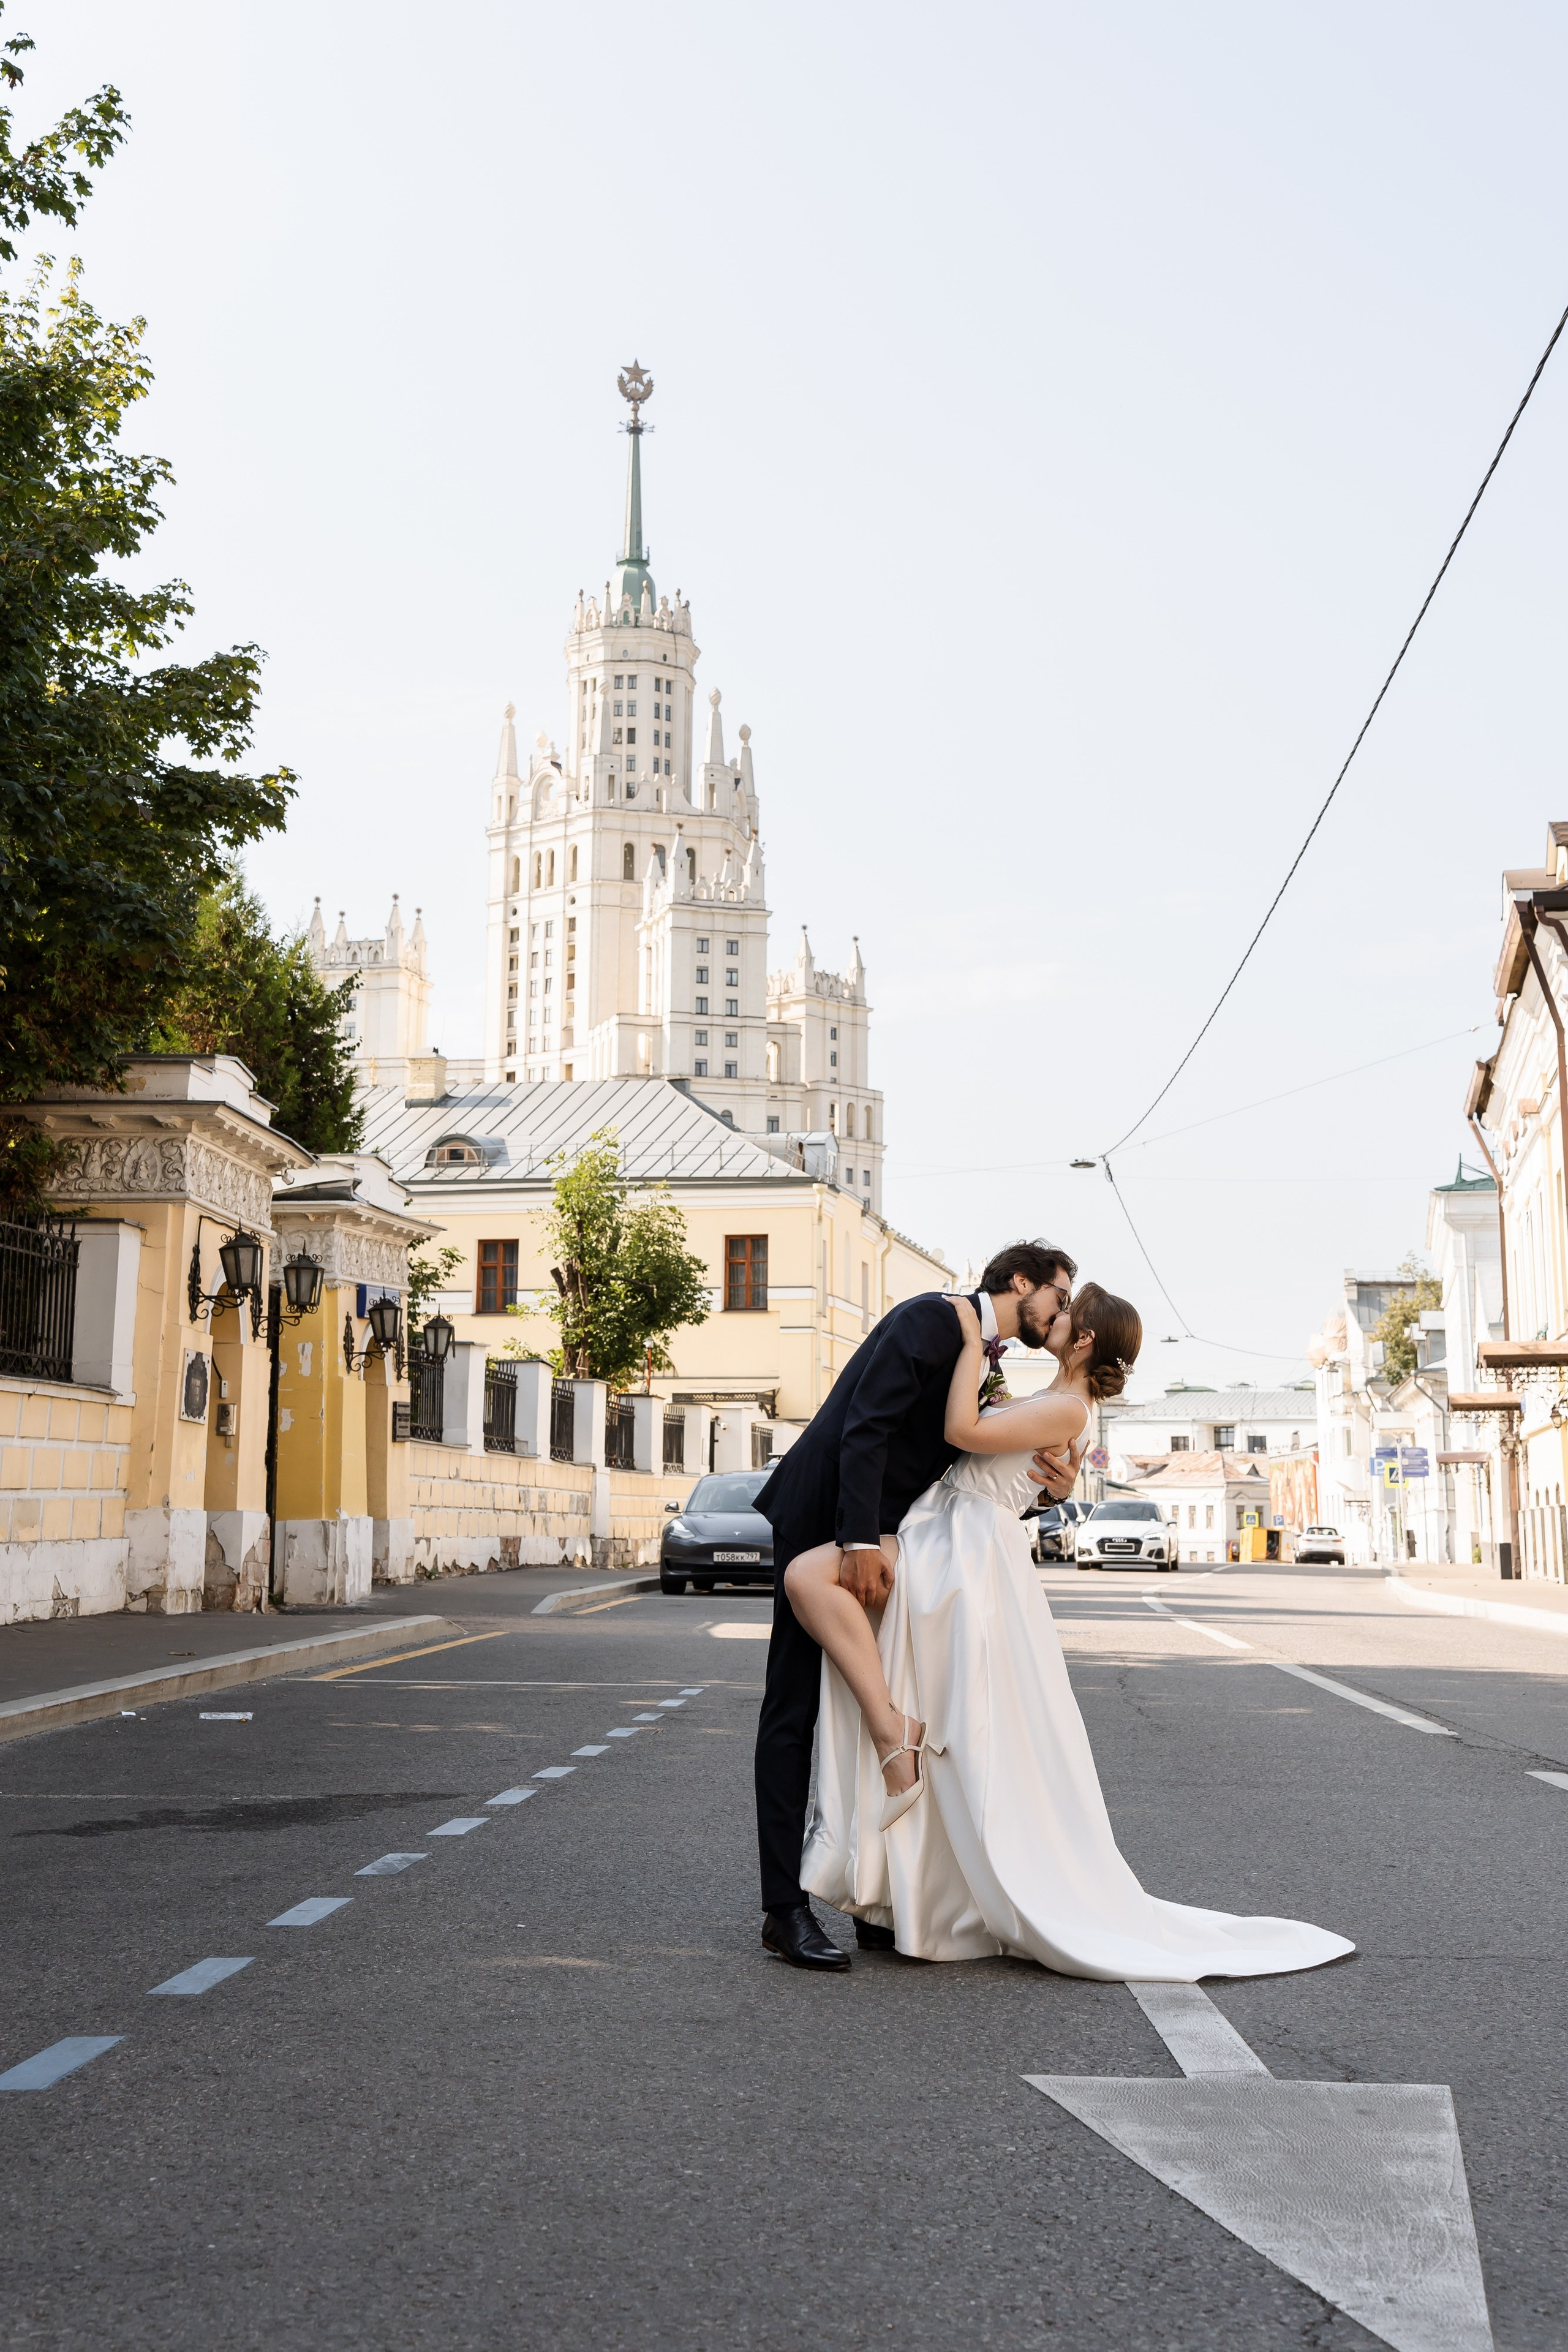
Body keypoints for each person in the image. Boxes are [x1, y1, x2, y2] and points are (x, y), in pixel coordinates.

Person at [788, 1284, 1354, 1979]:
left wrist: (972, 1337)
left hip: (962, 1549)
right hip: (948, 1534)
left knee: (816, 1586)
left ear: (1083, 1339)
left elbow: (964, 1432)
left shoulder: (1066, 1404)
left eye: (1064, 1315)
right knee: (910, 1676)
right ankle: (905, 1817)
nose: (1051, 1322)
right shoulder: (1054, 1399)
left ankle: (892, 1739)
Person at [751, 1241, 1084, 1972]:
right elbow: (865, 1427)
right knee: (796, 1706)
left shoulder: (982, 1356)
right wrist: (858, 1541)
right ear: (1021, 1282)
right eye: (1059, 1296)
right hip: (829, 1518)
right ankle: (783, 1910)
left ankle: (877, 1897)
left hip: (897, 1537)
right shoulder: (932, 1320)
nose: (1063, 1311)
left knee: (878, 1702)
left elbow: (969, 1482)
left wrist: (1050, 1491)